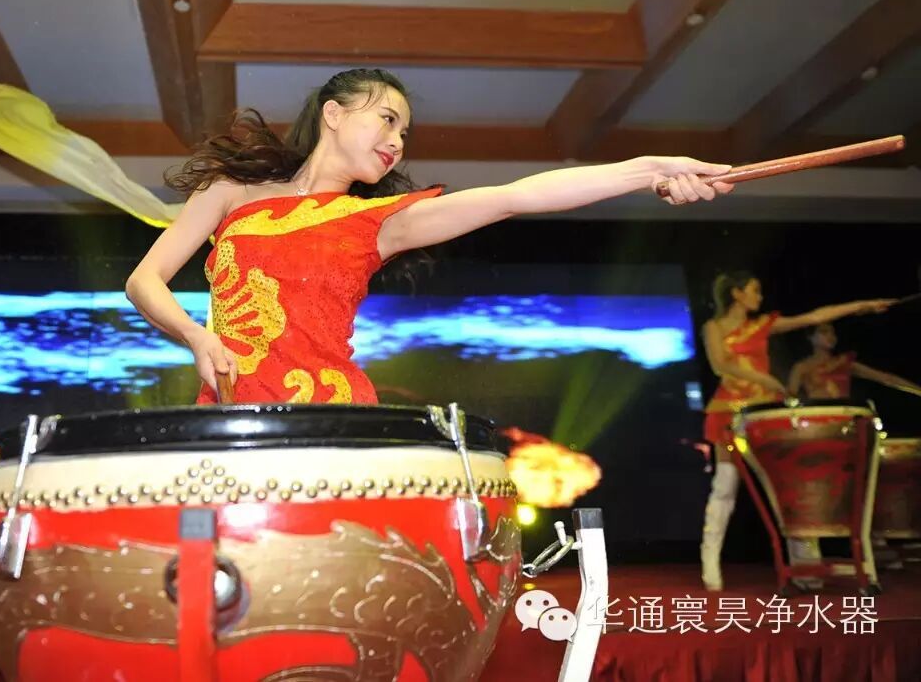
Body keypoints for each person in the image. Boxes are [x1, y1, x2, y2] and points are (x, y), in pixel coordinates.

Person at [126, 67, 734, 406]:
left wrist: (649, 170)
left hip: (336, 417)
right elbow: (144, 280)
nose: (397, 142)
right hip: (229, 407)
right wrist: (196, 335)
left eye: (405, 134)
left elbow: (516, 195)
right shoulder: (231, 191)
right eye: (387, 120)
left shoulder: (380, 222)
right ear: (334, 113)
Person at [698, 271, 893, 590]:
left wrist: (862, 306)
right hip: (729, 412)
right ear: (737, 294)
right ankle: (710, 565)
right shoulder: (714, 328)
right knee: (725, 486)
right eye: (754, 290)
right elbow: (721, 365)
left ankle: (806, 568)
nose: (759, 297)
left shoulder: (763, 325)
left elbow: (814, 317)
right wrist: (766, 379)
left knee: (788, 489)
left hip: (764, 415)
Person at [788, 322, 921, 400]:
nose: (830, 336)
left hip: (845, 417)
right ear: (810, 337)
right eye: (824, 332)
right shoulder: (802, 367)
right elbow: (790, 398)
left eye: (832, 333)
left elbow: (886, 378)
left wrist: (918, 390)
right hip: (818, 417)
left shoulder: (844, 363)